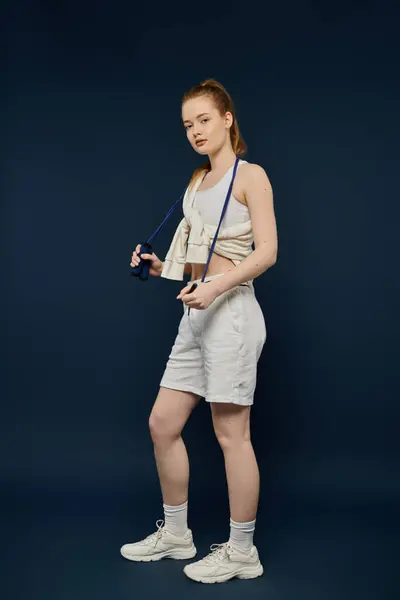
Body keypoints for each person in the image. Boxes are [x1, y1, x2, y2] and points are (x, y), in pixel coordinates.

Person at [122, 79, 278, 584]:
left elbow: (266, 253)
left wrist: (216, 287)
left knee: (232, 435)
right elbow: (192, 261)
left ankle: (241, 551)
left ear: (228, 118)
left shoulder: (251, 176)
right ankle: (176, 535)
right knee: (162, 424)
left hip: (231, 313)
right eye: (188, 124)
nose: (195, 130)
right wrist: (157, 266)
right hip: (197, 312)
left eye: (204, 120)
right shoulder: (196, 183)